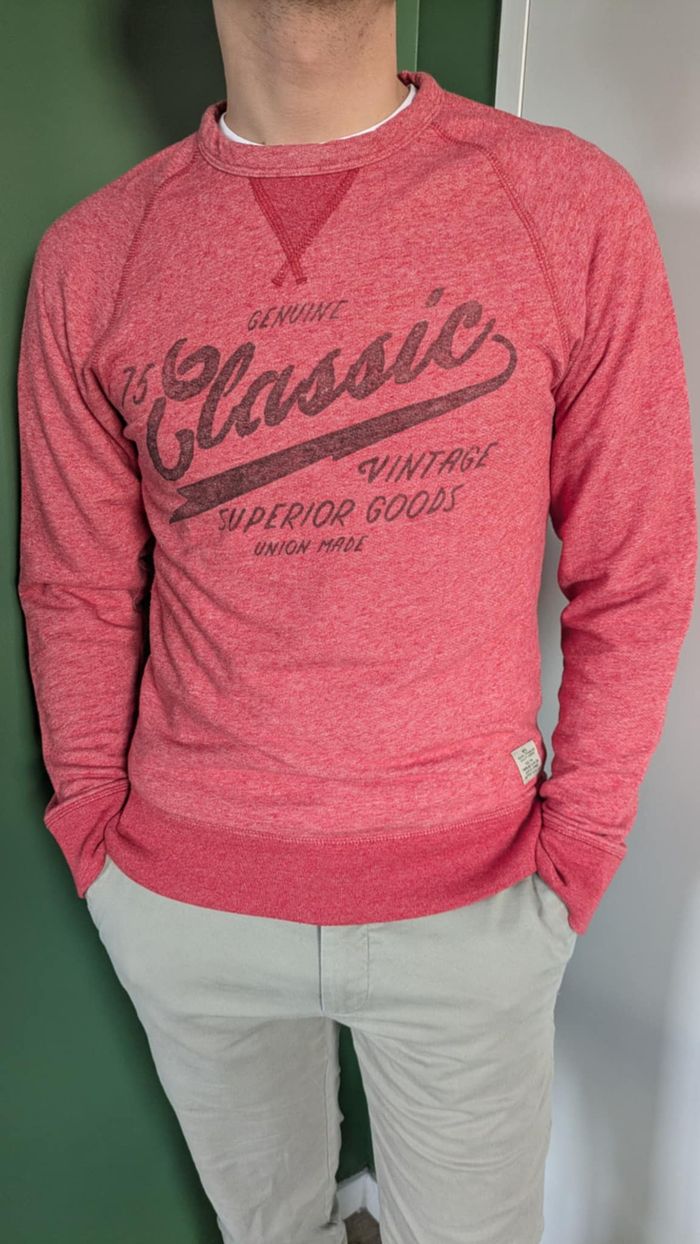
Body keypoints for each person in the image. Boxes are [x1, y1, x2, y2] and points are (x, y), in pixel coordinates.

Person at [16, 1, 697, 1242]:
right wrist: (94, 828)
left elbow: (638, 562)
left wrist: (576, 851)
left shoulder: (566, 205)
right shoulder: (93, 256)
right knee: (269, 1227)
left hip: (474, 898)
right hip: (183, 896)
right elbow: (74, 580)